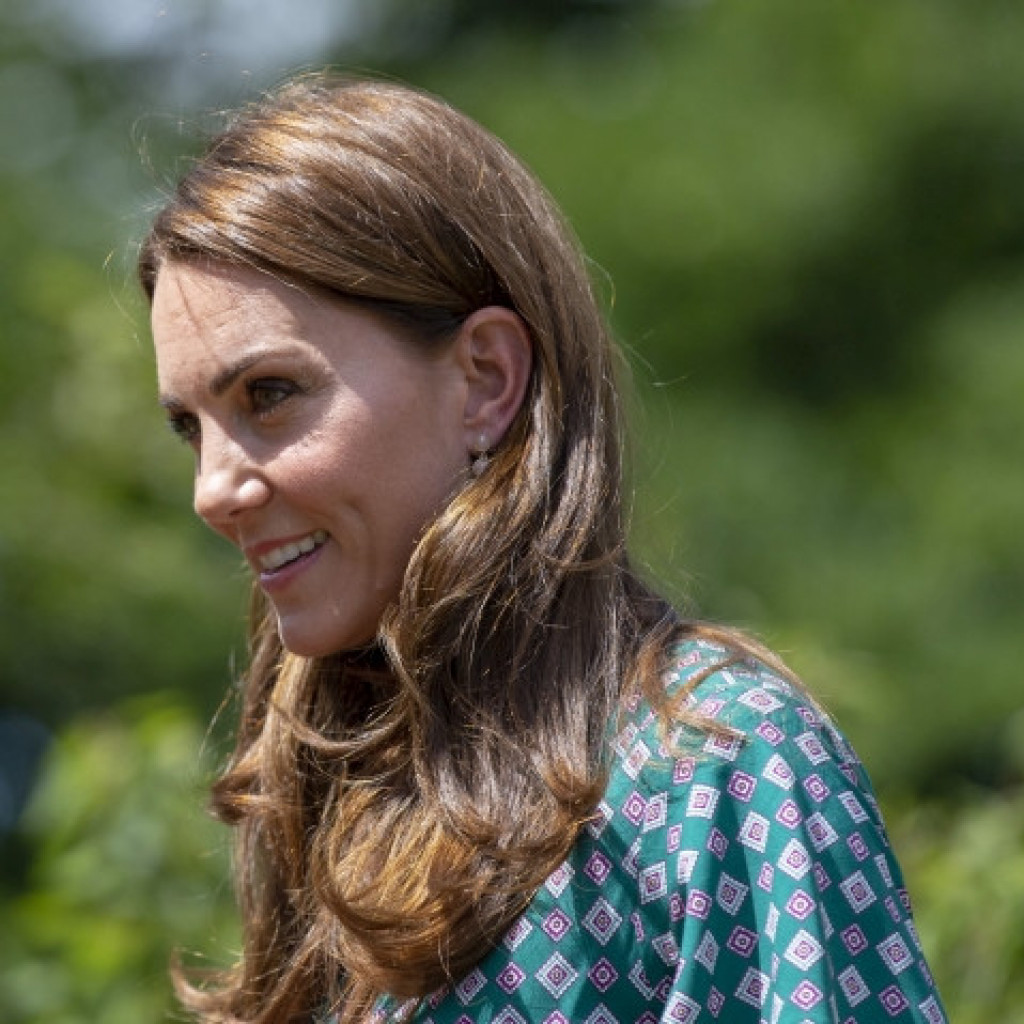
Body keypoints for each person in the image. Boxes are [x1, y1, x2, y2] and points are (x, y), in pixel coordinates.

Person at [140, 75, 947, 1024]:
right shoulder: (329, 792)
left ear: (486, 379)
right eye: (190, 428)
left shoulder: (720, 770)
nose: (212, 491)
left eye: (270, 395)